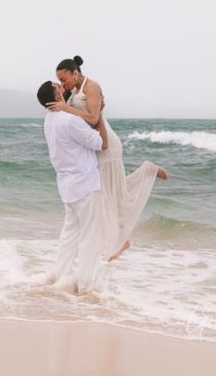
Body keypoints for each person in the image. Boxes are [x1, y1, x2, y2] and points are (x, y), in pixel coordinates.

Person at [47, 55, 167, 262]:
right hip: (94, 146)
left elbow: (94, 118)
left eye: (64, 79)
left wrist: (67, 108)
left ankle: (148, 171)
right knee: (110, 193)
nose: (62, 83)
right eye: (60, 80)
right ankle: (122, 239)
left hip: (108, 146)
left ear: (75, 73)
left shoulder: (92, 87)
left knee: (112, 194)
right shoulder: (73, 90)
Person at [37, 80, 115, 294]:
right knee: (90, 236)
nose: (62, 86)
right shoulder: (70, 120)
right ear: (57, 96)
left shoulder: (49, 120)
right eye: (58, 86)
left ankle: (60, 275)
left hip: (67, 185)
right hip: (85, 184)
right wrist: (99, 114)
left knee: (69, 234)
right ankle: (87, 286)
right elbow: (101, 143)